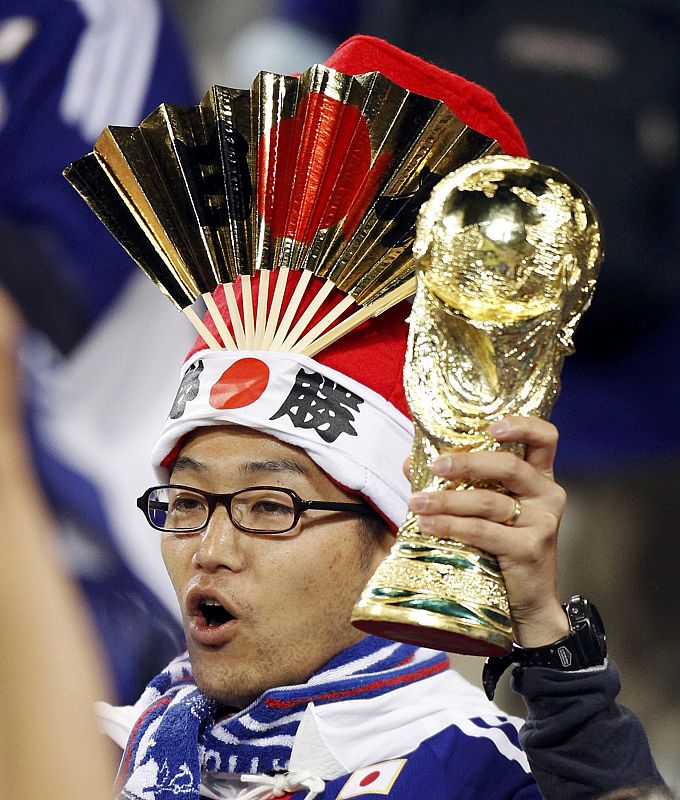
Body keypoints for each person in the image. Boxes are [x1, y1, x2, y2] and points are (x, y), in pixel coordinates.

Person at [74, 34, 666, 800]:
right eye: (185, 503)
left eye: (267, 506)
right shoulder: (82, 753)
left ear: (391, 535)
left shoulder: (484, 776)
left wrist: (557, 660)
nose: (209, 550)